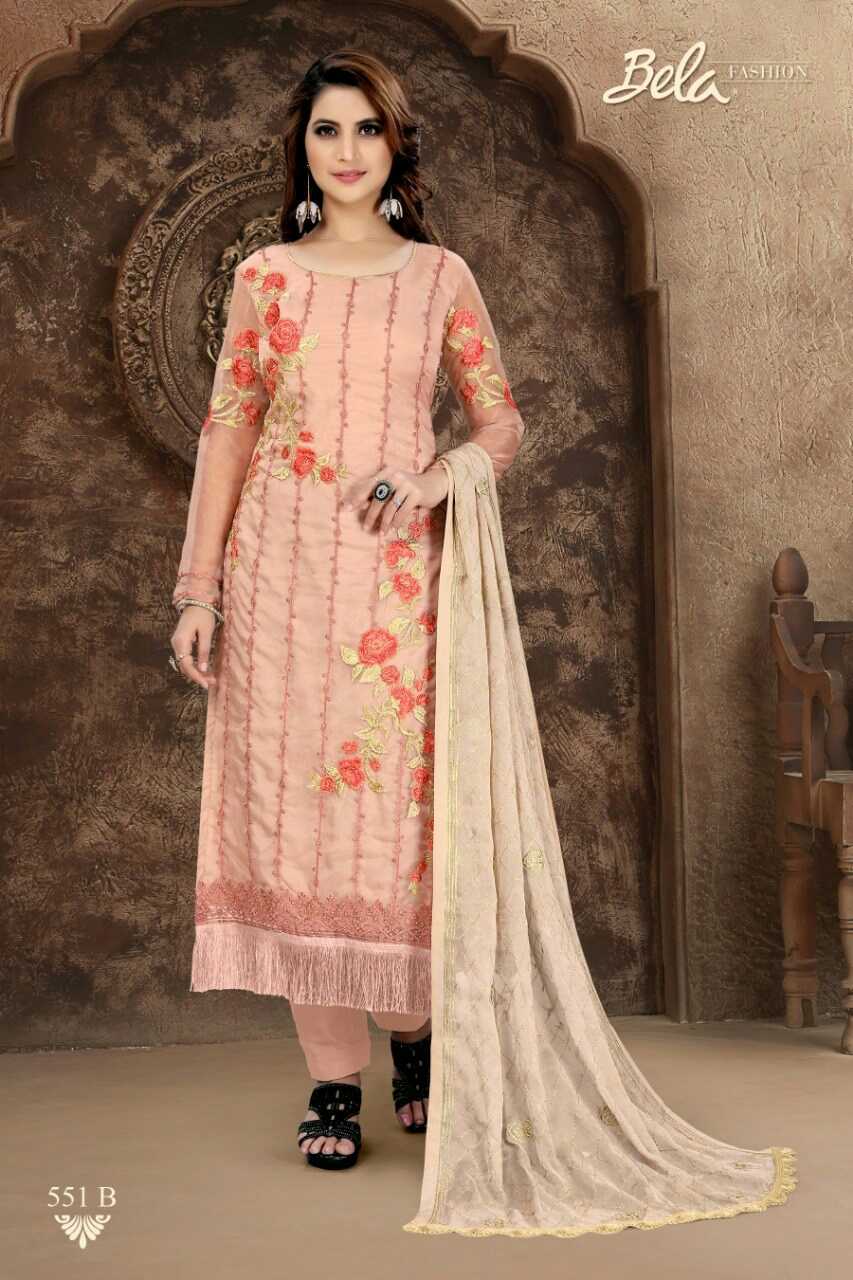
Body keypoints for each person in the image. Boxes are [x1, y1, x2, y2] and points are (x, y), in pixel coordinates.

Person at [169, 50, 524, 1170]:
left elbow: (500, 423)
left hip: (397, 590)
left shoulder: (440, 278)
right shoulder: (266, 278)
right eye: (328, 129)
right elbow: (227, 431)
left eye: (367, 128)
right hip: (278, 581)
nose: (348, 149)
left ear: (394, 143)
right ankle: (332, 1080)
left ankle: (414, 1038)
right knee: (292, 823)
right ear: (303, 148)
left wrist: (434, 478)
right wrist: (197, 589)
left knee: (393, 828)